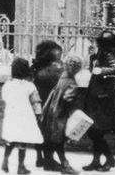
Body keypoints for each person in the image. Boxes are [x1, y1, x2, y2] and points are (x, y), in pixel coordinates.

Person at [83, 30, 115, 171]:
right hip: (97, 97)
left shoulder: (108, 53)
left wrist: (101, 71)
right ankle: (96, 161)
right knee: (94, 130)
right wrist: (93, 58)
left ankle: (110, 159)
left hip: (103, 99)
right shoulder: (101, 53)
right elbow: (93, 69)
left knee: (96, 131)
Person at [40, 54, 84, 174]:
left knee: (50, 138)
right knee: (59, 140)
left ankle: (48, 162)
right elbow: (67, 99)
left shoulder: (62, 77)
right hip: (60, 114)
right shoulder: (72, 82)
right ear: (77, 69)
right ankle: (65, 165)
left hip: (51, 111)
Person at [2, 57, 44, 174]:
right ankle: (21, 167)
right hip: (25, 116)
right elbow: (36, 101)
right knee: (22, 141)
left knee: (11, 138)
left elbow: (5, 97)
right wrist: (38, 113)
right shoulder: (29, 86)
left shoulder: (7, 84)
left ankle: (5, 161)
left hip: (11, 114)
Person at [32, 40, 64, 171]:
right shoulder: (53, 69)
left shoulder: (38, 66)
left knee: (40, 130)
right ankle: (49, 161)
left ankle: (40, 158)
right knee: (50, 132)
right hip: (49, 104)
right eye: (58, 54)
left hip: (39, 103)